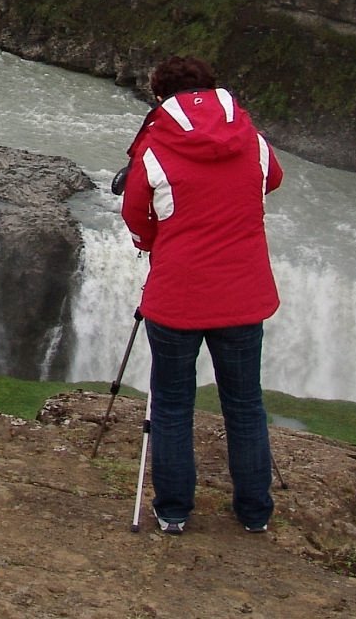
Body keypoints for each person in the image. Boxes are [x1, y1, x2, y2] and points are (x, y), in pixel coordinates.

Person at [118, 55, 284, 536]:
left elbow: (135, 215)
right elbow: (271, 180)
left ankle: (173, 512)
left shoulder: (152, 149)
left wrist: (157, 242)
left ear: (159, 98)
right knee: (245, 402)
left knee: (171, 403)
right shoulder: (250, 139)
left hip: (177, 296)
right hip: (242, 293)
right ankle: (254, 513)